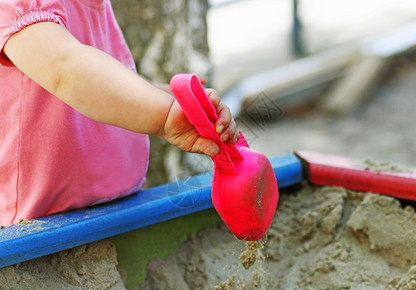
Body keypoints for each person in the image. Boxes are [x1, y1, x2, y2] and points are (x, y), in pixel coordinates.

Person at [0, 0, 238, 225]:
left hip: (116, 205)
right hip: (35, 229)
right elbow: (65, 67)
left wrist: (161, 97)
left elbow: (102, 81)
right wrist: (164, 115)